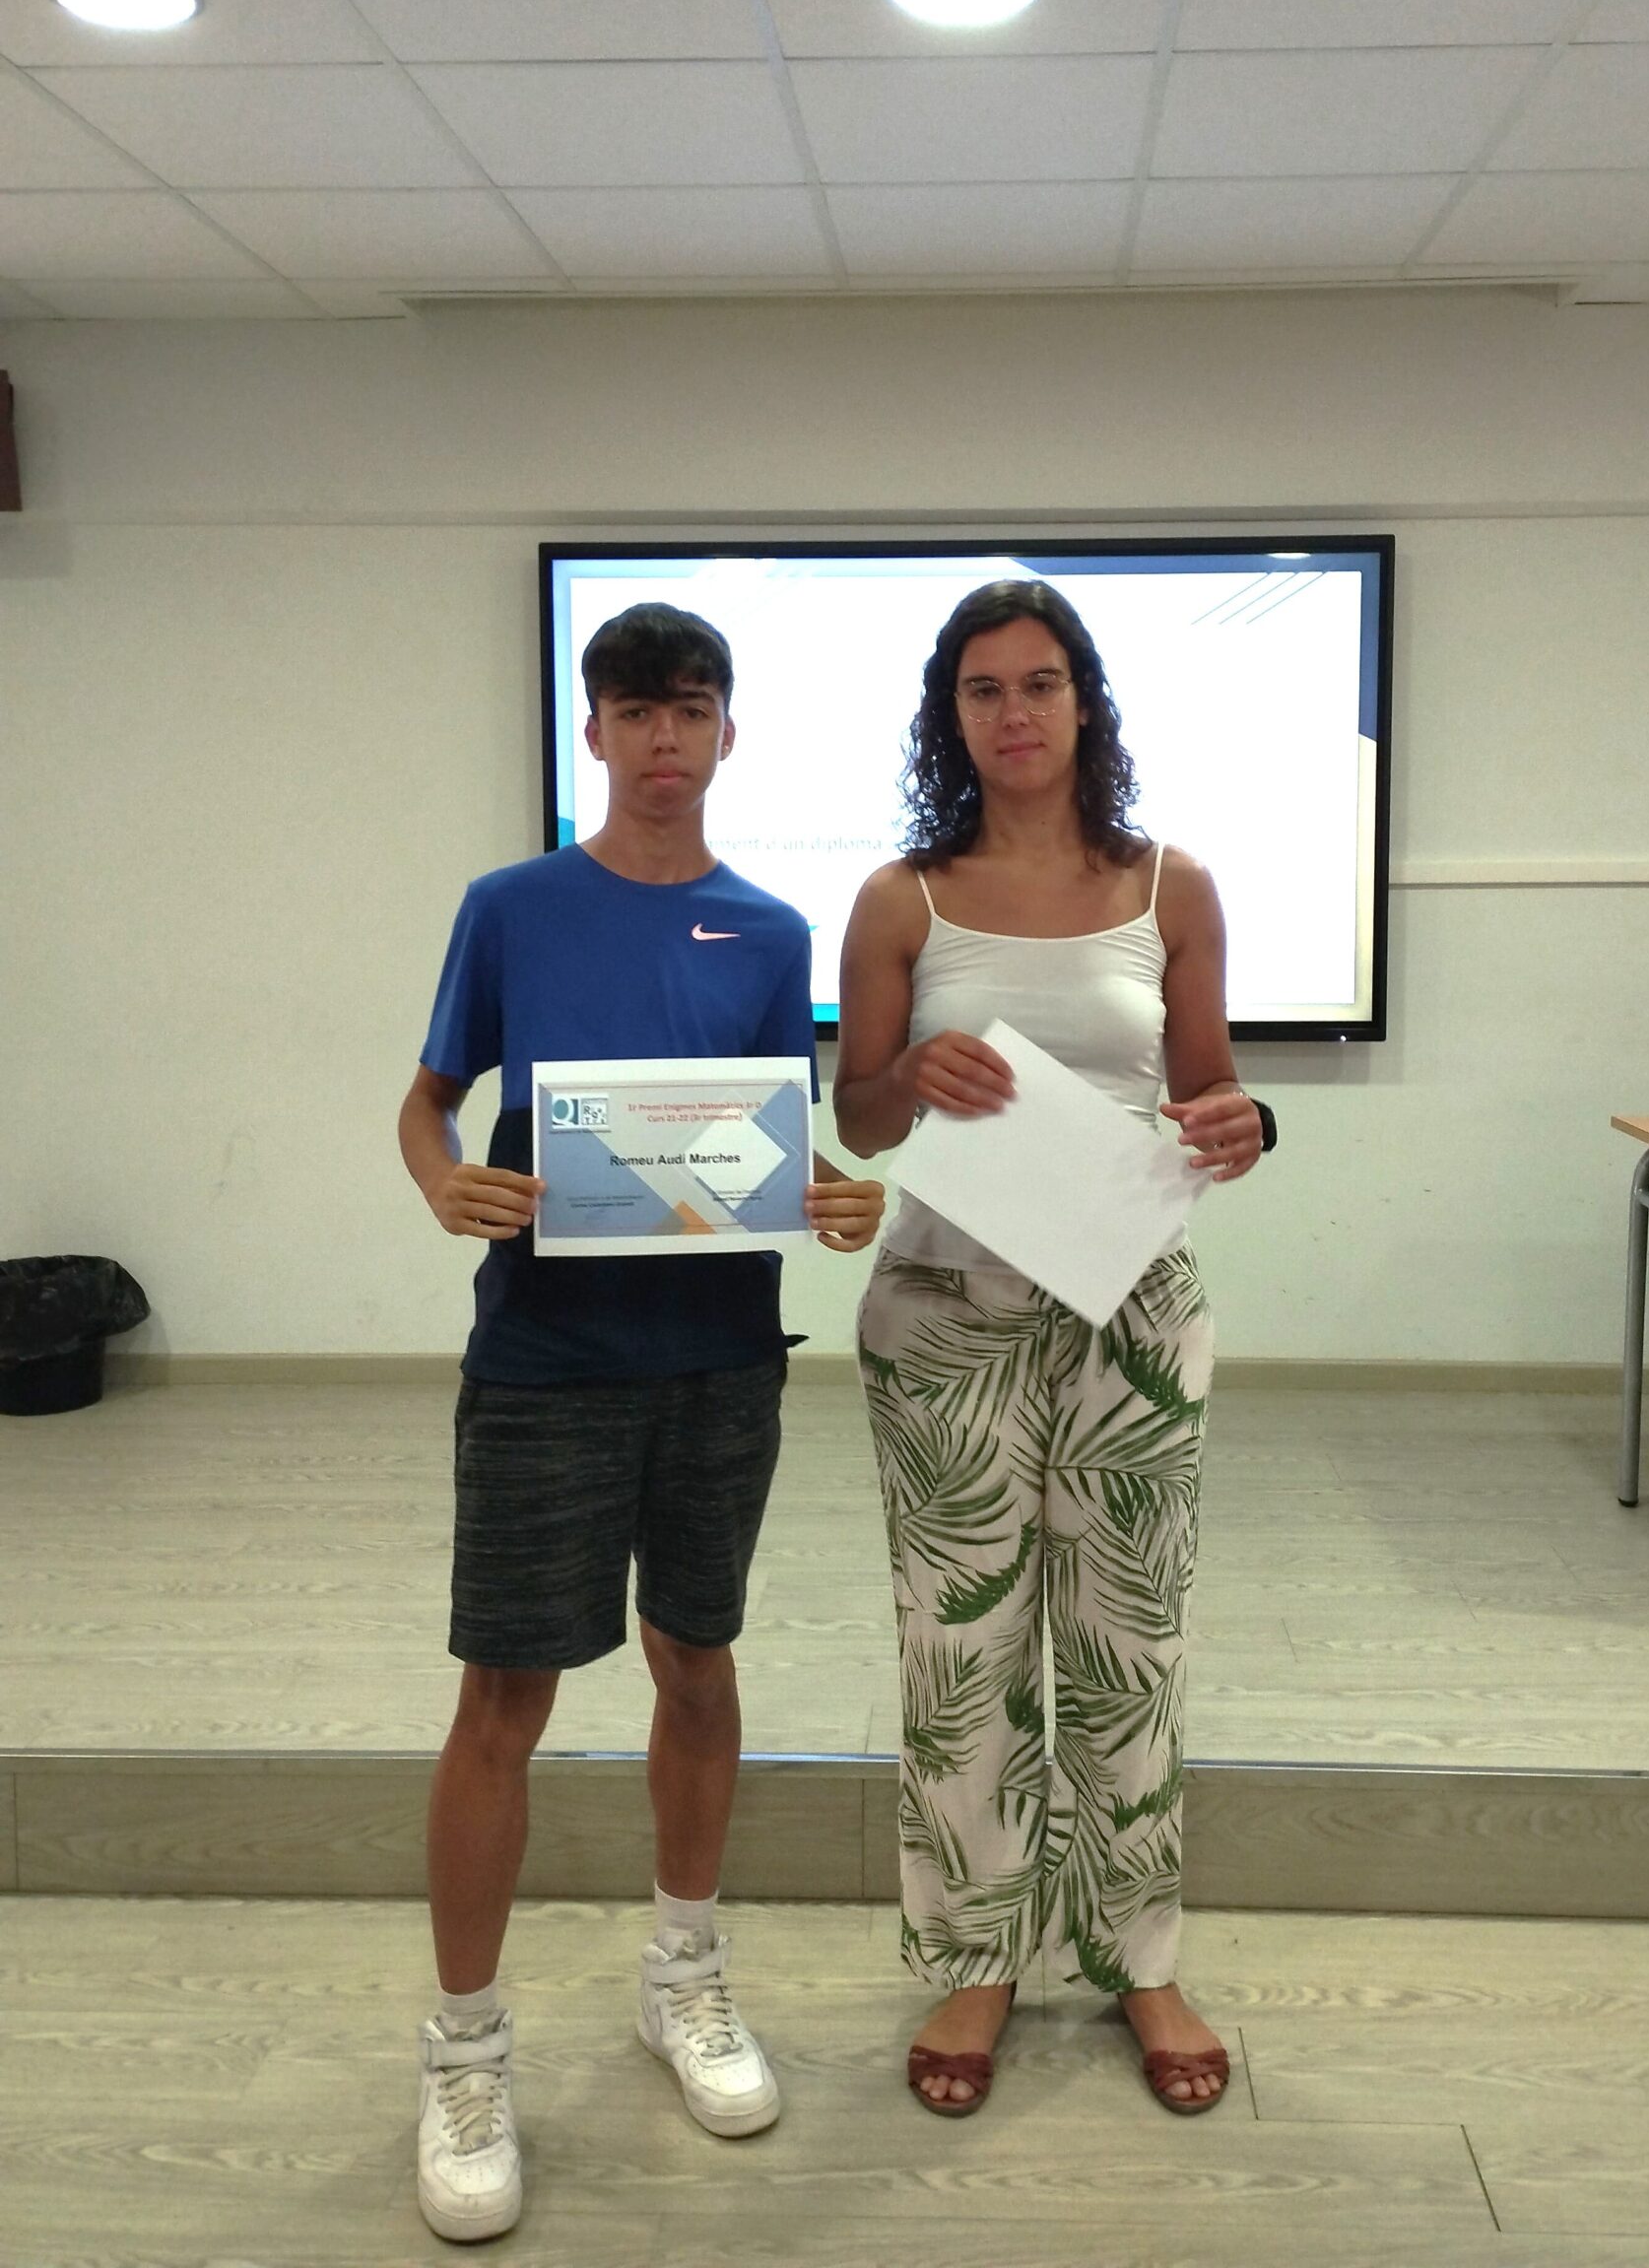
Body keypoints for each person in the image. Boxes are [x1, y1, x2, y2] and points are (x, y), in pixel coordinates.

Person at [398, 602, 883, 2241]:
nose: (665, 738)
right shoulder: (510, 907)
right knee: (502, 1698)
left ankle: (684, 1972)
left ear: (728, 732)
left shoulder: (772, 930)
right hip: (545, 1356)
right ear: (593, 731)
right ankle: (464, 2050)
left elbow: (763, 1142)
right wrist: (441, 1180)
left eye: (691, 709)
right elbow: (427, 1102)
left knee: (698, 1660)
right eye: (635, 710)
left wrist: (832, 1198)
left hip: (719, 1358)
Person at [833, 577, 1263, 2118]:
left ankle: (1140, 1959)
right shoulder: (902, 900)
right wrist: (910, 1077)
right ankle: (979, 1958)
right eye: (983, 690)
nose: (1014, 713)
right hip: (944, 1314)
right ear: (949, 717)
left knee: (1129, 1648)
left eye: (1039, 684)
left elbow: (1211, 1096)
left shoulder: (1171, 888)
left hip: (1130, 1311)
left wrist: (1246, 1126)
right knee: (962, 1655)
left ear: (1085, 702)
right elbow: (858, 1117)